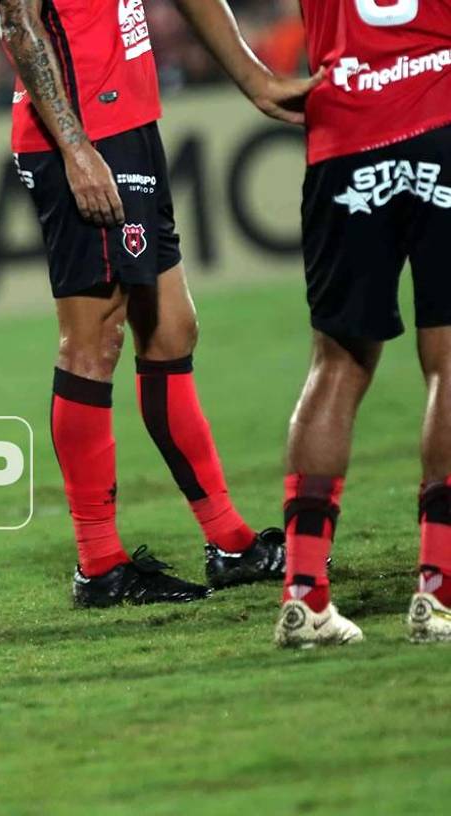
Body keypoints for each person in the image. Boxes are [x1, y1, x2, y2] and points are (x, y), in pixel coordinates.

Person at [0, 0, 315, 607]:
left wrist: (254, 78)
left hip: (132, 121)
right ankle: (99, 565)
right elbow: (17, 21)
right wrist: (75, 146)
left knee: (171, 330)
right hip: (84, 134)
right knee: (94, 340)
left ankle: (231, 544)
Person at [177, 0, 451, 646]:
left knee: (337, 365)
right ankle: (438, 592)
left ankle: (304, 595)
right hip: (441, 113)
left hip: (344, 135)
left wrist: (253, 77)